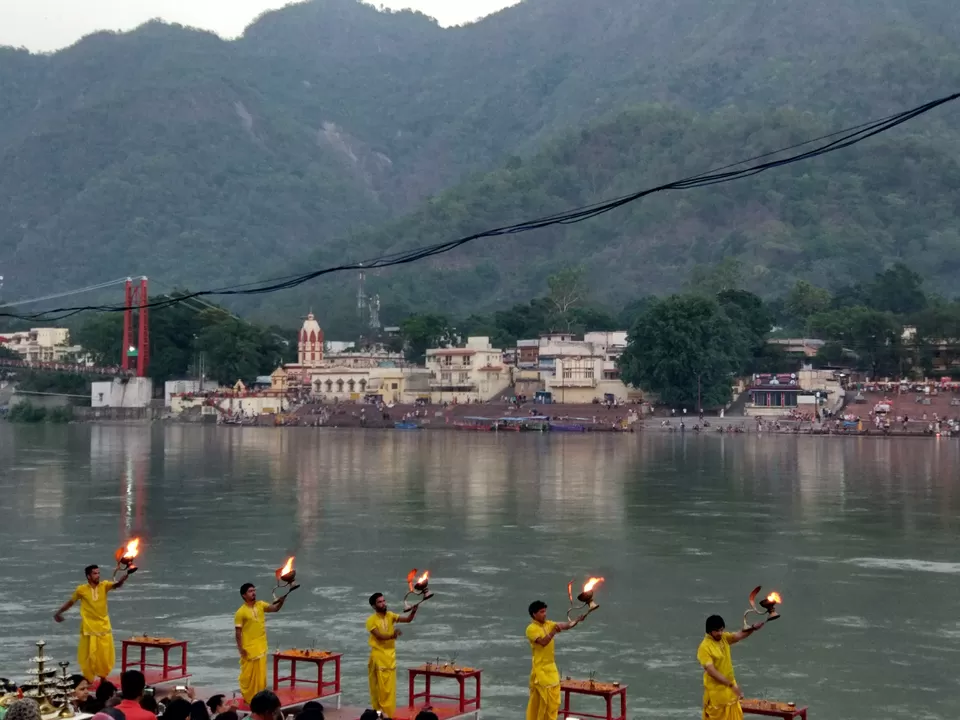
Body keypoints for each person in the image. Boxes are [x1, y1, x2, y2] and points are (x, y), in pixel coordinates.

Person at [54, 564, 132, 682]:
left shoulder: (104, 585)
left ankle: (103, 677)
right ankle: (89, 679)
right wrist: (58, 613)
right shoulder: (81, 590)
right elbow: (71, 602)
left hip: (103, 626)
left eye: (98, 573)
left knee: (104, 655)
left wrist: (126, 576)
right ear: (88, 576)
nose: (98, 576)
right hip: (89, 627)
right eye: (95, 573)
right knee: (88, 656)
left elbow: (117, 584)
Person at [525, 600, 584, 720]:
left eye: (545, 611)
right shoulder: (531, 629)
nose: (545, 614)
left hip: (551, 669)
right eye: (541, 612)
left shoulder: (549, 624)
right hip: (540, 670)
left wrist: (577, 620)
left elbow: (566, 625)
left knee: (553, 702)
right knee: (542, 703)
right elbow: (543, 642)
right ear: (534, 614)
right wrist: (553, 632)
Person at [696, 614, 763, 720]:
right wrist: (730, 685)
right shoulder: (704, 647)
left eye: (722, 630)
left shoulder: (724, 638)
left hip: (730, 691)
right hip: (717, 694)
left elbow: (738, 636)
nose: (720, 633)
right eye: (717, 631)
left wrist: (753, 628)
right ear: (709, 631)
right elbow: (711, 671)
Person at [234, 583, 291, 703]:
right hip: (249, 648)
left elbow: (274, 608)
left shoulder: (260, 605)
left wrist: (281, 601)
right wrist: (240, 649)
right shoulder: (241, 612)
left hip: (261, 646)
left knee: (261, 677)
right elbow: (238, 633)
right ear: (244, 595)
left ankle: (259, 699)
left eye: (254, 590)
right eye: (250, 591)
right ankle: (249, 699)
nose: (253, 593)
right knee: (247, 677)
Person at [365, 592, 418, 720]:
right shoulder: (371, 620)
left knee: (390, 690)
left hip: (390, 658)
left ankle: (388, 716)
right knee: (379, 690)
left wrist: (414, 611)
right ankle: (379, 715)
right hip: (379, 658)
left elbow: (408, 620)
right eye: (380, 602)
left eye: (384, 601)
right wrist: (393, 635)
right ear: (373, 606)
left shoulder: (390, 616)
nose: (383, 603)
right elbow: (380, 636)